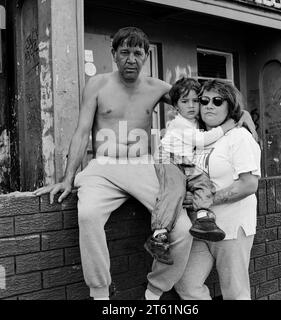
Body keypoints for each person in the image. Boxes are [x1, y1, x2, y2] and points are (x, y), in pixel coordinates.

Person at [33, 27, 257, 300]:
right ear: (113, 54)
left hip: (143, 166)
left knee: (183, 230)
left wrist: (240, 110)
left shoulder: (157, 87)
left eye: (137, 53)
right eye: (124, 52)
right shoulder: (97, 84)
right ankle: (100, 293)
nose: (131, 59)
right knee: (88, 216)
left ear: (146, 56)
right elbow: (81, 132)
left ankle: (155, 290)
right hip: (103, 168)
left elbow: (198, 98)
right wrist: (68, 178)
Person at [174, 79, 261, 300]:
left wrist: (206, 200)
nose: (209, 105)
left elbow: (249, 184)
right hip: (200, 229)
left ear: (229, 106)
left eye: (217, 100)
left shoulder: (239, 137)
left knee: (235, 293)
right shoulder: (199, 138)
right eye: (204, 101)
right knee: (186, 285)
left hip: (232, 227)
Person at [144, 77, 237, 266]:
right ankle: (158, 235)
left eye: (196, 100)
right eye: (185, 102)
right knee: (174, 191)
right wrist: (226, 127)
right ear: (176, 106)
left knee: (204, 182)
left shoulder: (195, 121)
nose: (192, 106)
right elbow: (202, 140)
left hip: (186, 161)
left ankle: (203, 217)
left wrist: (242, 116)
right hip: (168, 159)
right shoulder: (179, 123)